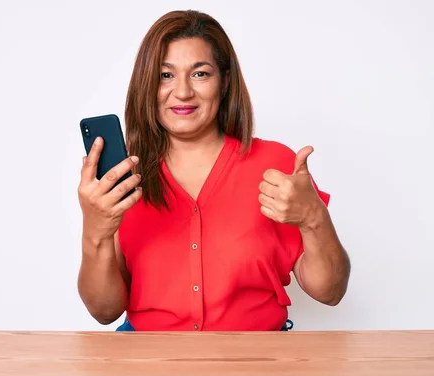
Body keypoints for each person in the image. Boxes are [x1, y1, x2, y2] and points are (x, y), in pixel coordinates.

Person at [77, 10, 350, 331]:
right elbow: (104, 311)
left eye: (200, 74)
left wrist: (313, 217)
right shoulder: (122, 179)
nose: (182, 92)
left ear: (224, 82)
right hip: (149, 364)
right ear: (146, 86)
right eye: (165, 75)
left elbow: (329, 291)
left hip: (255, 363)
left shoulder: (276, 164)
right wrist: (95, 230)